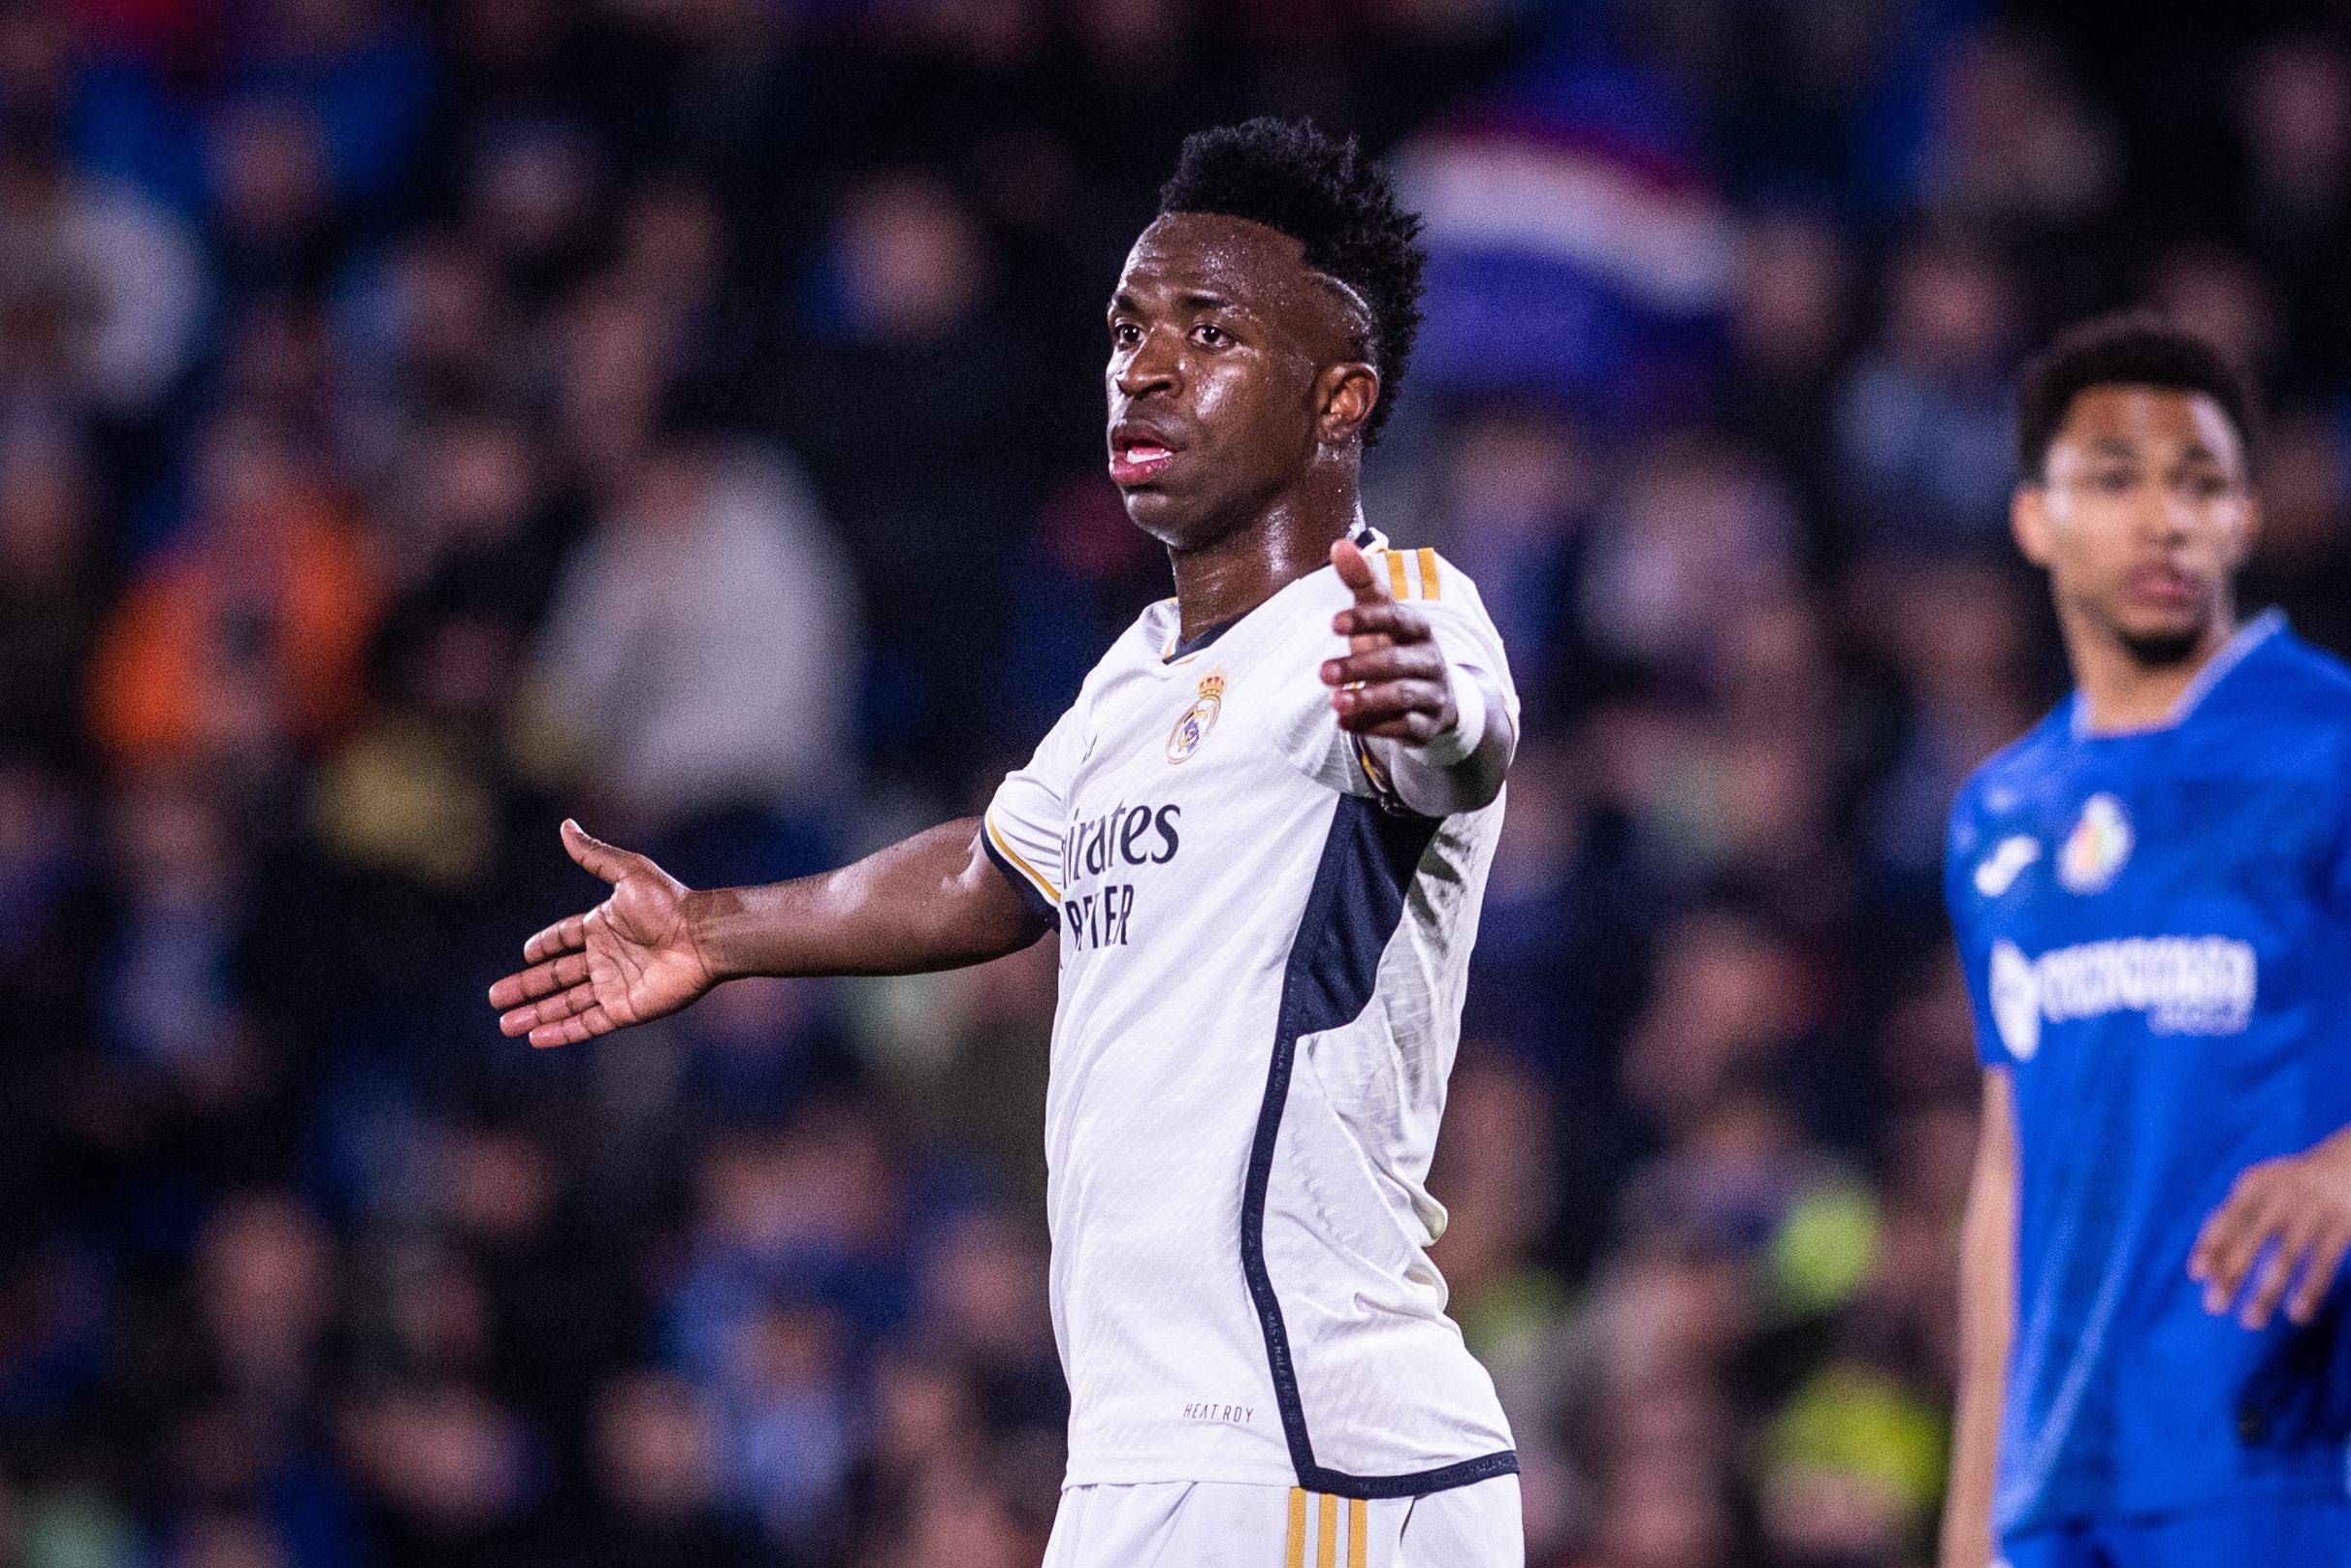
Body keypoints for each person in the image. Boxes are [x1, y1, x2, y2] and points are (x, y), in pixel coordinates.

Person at [488, 119, 1527, 1566]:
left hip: (1310, 1447)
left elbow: (1461, 727)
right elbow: (991, 871)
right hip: (1155, 1452)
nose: (1143, 365)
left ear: (1339, 397)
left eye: (1207, 329)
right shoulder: (1139, 674)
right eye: (1126, 326)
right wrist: (717, 929)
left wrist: (1433, 696)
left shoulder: (1387, 613)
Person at [1941, 314, 2351, 1568]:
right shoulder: (1998, 813)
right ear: (2035, 517)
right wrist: (1973, 1515)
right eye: (2115, 481)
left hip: (2281, 1456)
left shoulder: (2331, 744)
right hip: (2061, 1483)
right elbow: (2009, 1167)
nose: (2163, 519)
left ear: (2244, 518)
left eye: (2202, 483)